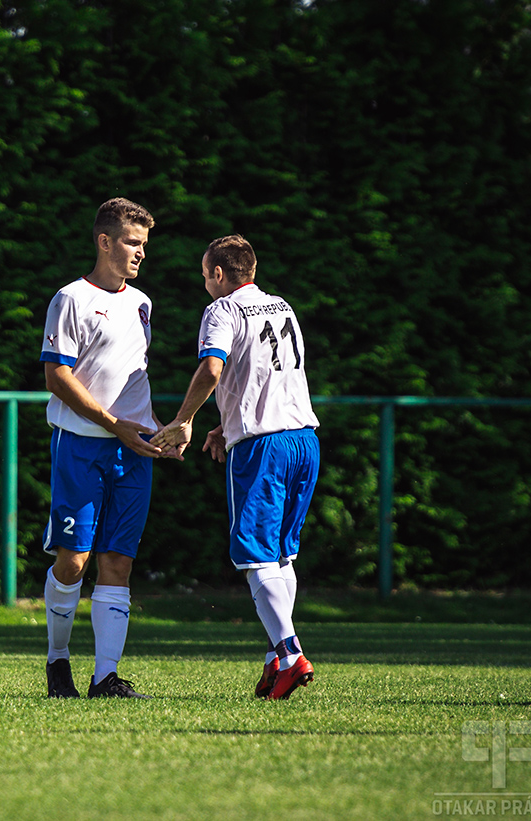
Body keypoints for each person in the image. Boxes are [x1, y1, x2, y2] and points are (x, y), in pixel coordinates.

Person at [154, 234, 320, 700]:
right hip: (304, 440)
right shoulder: (282, 306)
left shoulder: (222, 310)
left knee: (254, 556)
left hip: (263, 449)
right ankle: (274, 656)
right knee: (283, 554)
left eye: (205, 274)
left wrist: (184, 419)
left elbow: (213, 369)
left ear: (220, 274)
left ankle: (289, 655)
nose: (204, 282)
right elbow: (267, 376)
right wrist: (226, 426)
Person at [39, 197, 165, 699]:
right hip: (81, 447)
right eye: (132, 243)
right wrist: (114, 424)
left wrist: (161, 430)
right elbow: (57, 376)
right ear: (104, 241)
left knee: (119, 561)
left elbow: (133, 379)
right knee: (74, 560)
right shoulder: (69, 298)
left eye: (143, 245)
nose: (139, 253)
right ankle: (57, 660)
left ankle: (105, 676)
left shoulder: (142, 303)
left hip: (132, 451)